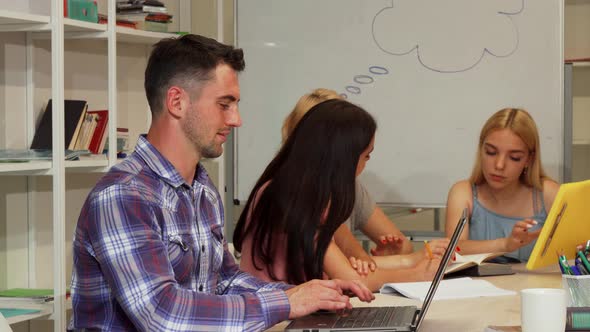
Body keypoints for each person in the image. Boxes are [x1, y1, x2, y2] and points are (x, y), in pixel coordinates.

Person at [69, 34, 374, 332]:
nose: (236, 119)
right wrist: (285, 303)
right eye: (224, 104)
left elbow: (225, 280)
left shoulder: (202, 190)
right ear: (177, 101)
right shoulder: (124, 195)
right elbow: (162, 314)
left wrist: (307, 294)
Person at [233, 99, 443, 292]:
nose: (365, 164)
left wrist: (415, 261)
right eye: (366, 156)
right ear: (343, 158)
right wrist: (418, 274)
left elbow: (350, 264)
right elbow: (354, 281)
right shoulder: (295, 201)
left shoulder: (306, 193)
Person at [281, 88, 448, 275]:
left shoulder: (342, 189)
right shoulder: (295, 196)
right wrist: (417, 271)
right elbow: (351, 276)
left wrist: (407, 260)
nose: (362, 162)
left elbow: (360, 262)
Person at [445, 108, 560, 262]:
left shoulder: (548, 194)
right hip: (475, 286)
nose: (499, 165)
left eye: (514, 157)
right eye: (491, 152)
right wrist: (505, 244)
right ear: (481, 150)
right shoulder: (463, 193)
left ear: (529, 159)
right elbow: (453, 250)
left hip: (535, 287)